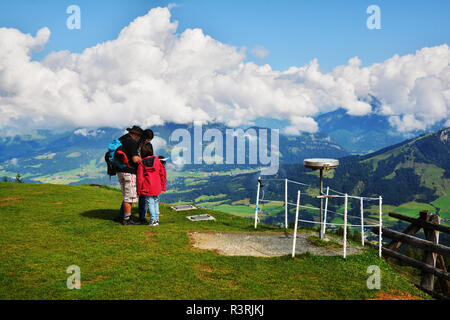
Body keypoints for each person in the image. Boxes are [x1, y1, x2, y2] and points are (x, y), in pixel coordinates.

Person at [115, 125, 143, 225]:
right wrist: (142, 160)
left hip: (119, 170)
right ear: (136, 135)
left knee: (125, 194)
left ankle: (122, 216)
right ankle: (127, 219)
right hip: (129, 172)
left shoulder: (121, 139)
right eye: (139, 136)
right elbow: (135, 159)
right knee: (129, 196)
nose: (139, 138)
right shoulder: (132, 142)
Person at [137, 144, 166, 227]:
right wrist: (162, 185)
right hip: (157, 186)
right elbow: (162, 173)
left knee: (150, 203)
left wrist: (139, 190)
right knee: (156, 202)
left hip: (147, 187)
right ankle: (156, 219)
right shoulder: (157, 160)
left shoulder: (141, 164)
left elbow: (140, 178)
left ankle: (153, 221)